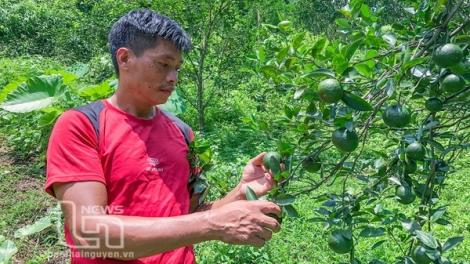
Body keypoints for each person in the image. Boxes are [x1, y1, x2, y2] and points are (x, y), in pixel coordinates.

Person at [45, 9, 281, 264]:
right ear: (124, 58)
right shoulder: (82, 126)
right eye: (163, 64)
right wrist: (214, 224)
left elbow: (189, 215)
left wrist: (241, 191)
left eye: (177, 68)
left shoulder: (182, 132)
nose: (174, 77)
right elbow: (89, 233)